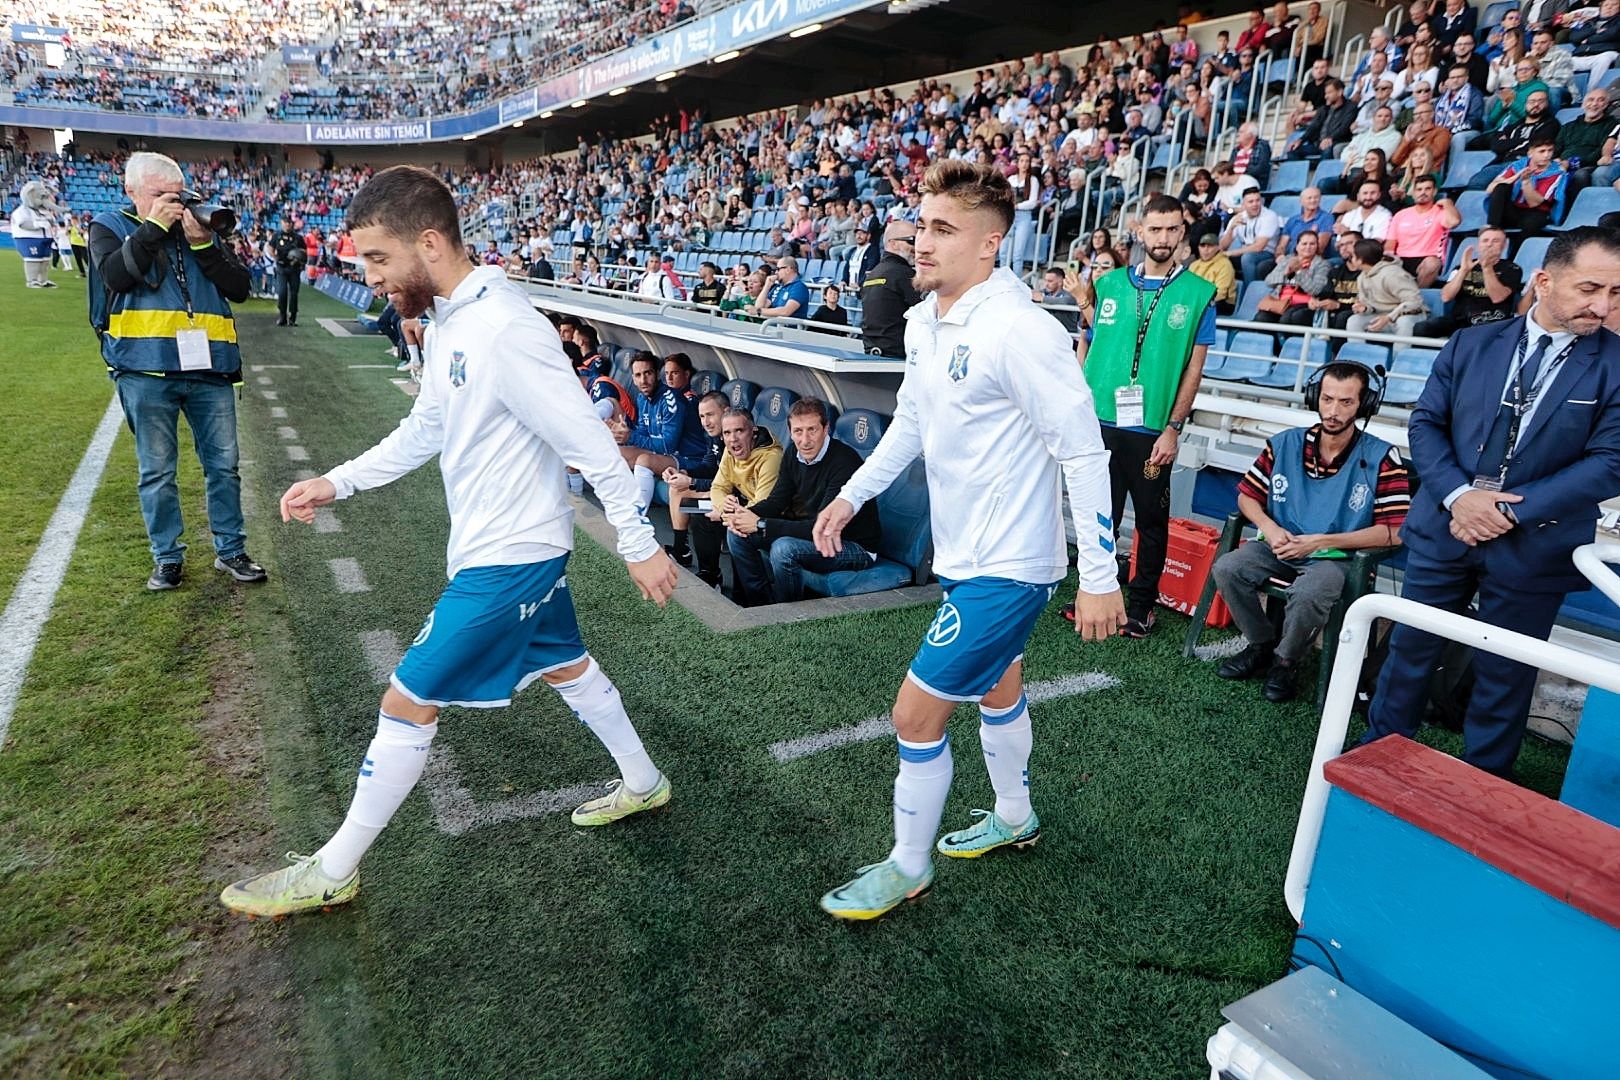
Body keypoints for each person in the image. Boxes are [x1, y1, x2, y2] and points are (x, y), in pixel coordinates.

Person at [220, 166, 681, 918]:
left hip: (515, 557)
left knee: (408, 697)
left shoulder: (504, 328)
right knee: (566, 664)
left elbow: (590, 442)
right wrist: (337, 480)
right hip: (495, 548)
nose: (369, 277)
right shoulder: (452, 321)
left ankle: (334, 868)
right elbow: (428, 429)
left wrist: (637, 540)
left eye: (377, 259)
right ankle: (642, 781)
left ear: (428, 244)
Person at [811, 160, 1124, 921]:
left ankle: (906, 866)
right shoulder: (927, 322)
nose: (922, 241)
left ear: (991, 245)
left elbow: (1082, 449)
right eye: (922, 225)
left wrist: (1100, 573)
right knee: (998, 686)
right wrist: (851, 494)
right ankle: (1015, 815)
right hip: (966, 554)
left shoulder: (1019, 330)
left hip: (1010, 565)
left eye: (943, 230)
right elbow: (913, 425)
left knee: (914, 718)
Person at [1364, 227, 1620, 777]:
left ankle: (1482, 793)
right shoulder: (1471, 342)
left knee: (1505, 678)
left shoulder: (1616, 362)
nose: (1603, 306)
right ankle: (1373, 768)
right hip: (1444, 528)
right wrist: (1460, 498)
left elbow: (1610, 462)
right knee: (1409, 656)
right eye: (1590, 289)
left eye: (1616, 293)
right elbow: (1426, 423)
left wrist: (1503, 511)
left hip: (1535, 545)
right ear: (1545, 282)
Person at [87, 151, 265, 593]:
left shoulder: (197, 230)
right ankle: (167, 558)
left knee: (224, 467)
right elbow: (114, 277)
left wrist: (204, 244)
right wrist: (152, 230)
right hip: (144, 369)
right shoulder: (111, 225)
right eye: (159, 195)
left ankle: (231, 550)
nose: (173, 203)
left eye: (177, 194)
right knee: (158, 471)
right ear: (131, 192)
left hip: (211, 368)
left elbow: (240, 289)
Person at [1212, 362, 1410, 701]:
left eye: (1346, 402)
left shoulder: (1382, 457)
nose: (1333, 411)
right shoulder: (1285, 443)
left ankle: (1285, 662)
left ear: (1365, 405)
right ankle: (1261, 645)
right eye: (1327, 399)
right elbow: (1248, 496)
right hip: (1280, 546)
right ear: (1314, 397)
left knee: (1309, 593)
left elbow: (1395, 531)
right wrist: (1269, 527)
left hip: (1338, 559)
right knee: (1227, 568)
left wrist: (1321, 541)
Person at [1071, 194, 1218, 638]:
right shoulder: (1111, 283)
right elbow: (1098, 341)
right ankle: (1093, 596)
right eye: (1155, 229)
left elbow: (1195, 368)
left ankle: (1141, 606)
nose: (1163, 237)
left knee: (1151, 523)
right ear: (1140, 231)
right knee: (1101, 515)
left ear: (1182, 232)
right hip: (1100, 422)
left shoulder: (1198, 294)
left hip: (1152, 428)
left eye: (1172, 229)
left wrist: (1174, 428)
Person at [725, 399, 880, 605]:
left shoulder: (844, 462)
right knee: (737, 535)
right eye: (798, 431)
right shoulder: (792, 453)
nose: (805, 440)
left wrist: (761, 524)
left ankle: (787, 614)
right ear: (790, 432)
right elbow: (776, 502)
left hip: (852, 546)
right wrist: (745, 515)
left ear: (826, 429)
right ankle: (760, 606)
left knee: (784, 548)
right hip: (816, 535)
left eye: (812, 430)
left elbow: (822, 527)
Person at [691, 408, 783, 591]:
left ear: (753, 432)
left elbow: (762, 505)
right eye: (727, 433)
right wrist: (725, 508)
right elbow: (718, 487)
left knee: (738, 531)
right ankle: (710, 576)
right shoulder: (730, 450)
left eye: (739, 431)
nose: (733, 439)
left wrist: (727, 516)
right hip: (746, 507)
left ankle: (754, 600)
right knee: (702, 516)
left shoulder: (772, 458)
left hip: (772, 516)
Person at [613, 351, 707, 514]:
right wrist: (622, 435)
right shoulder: (642, 398)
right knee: (616, 452)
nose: (643, 380)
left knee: (644, 460)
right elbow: (644, 431)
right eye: (638, 375)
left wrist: (631, 436)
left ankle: (637, 517)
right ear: (633, 379)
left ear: (657, 374)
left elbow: (667, 445)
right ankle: (616, 505)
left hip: (688, 457)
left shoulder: (672, 399)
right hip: (665, 455)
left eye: (647, 373)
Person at [1412, 226, 1523, 339]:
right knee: (1422, 328)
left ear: (1504, 246)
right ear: (1479, 245)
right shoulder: (1462, 266)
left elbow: (1497, 297)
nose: (1489, 244)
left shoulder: (1512, 269)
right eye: (1485, 241)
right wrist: (1463, 270)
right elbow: (1446, 296)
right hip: (1460, 319)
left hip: (1491, 321)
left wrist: (1487, 268)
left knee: (1474, 334)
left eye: (1495, 241)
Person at [662, 390, 729, 567]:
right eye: (702, 416)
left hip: (734, 497)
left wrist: (691, 482)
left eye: (710, 415)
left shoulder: (736, 439)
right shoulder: (714, 437)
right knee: (677, 487)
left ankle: (712, 574)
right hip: (720, 490)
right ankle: (680, 549)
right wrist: (684, 473)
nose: (706, 422)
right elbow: (707, 466)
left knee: (693, 500)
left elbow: (731, 485)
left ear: (726, 412)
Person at [1384, 175, 1461, 287]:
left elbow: (1454, 222)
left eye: (1427, 189)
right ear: (1413, 193)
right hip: (1401, 259)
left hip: (1427, 258)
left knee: (1432, 264)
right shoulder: (1401, 214)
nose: (1423, 192)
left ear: (1434, 191)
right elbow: (1390, 243)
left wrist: (1448, 203)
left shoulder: (1440, 212)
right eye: (1419, 189)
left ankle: (1417, 296)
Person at [860, 217, 920, 357]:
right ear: (893, 244)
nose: (917, 247)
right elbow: (930, 314)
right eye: (912, 241)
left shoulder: (872, 274)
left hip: (870, 355)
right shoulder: (905, 275)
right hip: (897, 359)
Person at [1484, 135, 1566, 234]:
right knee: (1501, 187)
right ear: (1530, 153)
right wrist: (1515, 177)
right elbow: (1490, 189)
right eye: (1542, 151)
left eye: (1550, 150)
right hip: (1514, 209)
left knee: (1532, 223)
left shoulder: (1556, 172)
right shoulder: (1518, 165)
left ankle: (1518, 247)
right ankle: (1492, 231)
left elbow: (1534, 203)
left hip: (1537, 212)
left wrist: (1526, 181)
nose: (1546, 155)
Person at [1252, 230, 1331, 330]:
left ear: (1317, 247)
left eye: (1312, 244)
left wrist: (1299, 272)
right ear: (1297, 246)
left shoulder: (1322, 265)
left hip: (1305, 304)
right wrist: (1286, 273)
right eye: (1304, 244)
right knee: (1261, 318)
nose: (1308, 247)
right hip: (1281, 302)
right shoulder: (1287, 260)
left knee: (1287, 319)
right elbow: (1269, 281)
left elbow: (1316, 290)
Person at [1345, 238, 1427, 336]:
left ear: (1361, 259)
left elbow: (1414, 301)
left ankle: (1400, 352)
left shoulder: (1392, 274)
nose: (1351, 259)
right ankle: (1360, 351)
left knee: (1404, 322)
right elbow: (1370, 305)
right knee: (1354, 320)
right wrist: (1365, 308)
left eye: (1353, 256)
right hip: (1382, 316)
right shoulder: (1362, 277)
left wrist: (1389, 317)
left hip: (1409, 314)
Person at [1188, 231, 1238, 315]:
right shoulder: (1194, 265)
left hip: (1221, 303)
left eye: (1210, 246)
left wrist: (1198, 302)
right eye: (1202, 246)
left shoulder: (1225, 264)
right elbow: (1188, 288)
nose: (1206, 249)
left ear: (1218, 247)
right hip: (1197, 302)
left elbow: (1220, 294)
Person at [270, 217, 306, 326]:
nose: (288, 225)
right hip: (281, 267)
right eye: (286, 223)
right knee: (282, 292)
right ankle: (282, 316)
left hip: (294, 269)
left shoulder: (298, 237)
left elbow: (304, 251)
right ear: (282, 223)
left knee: (294, 293)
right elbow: (270, 248)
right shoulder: (277, 236)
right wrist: (275, 257)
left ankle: (293, 317)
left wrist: (297, 259)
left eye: (289, 223)